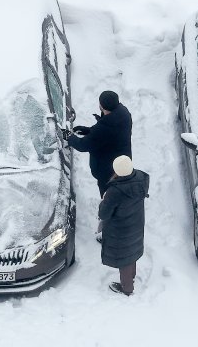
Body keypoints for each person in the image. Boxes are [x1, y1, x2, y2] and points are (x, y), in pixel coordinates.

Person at [65, 90, 132, 197]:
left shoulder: (105, 127)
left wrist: (68, 136)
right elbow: (108, 134)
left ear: (101, 106)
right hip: (122, 163)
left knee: (108, 197)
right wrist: (88, 130)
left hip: (108, 171)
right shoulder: (124, 114)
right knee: (119, 193)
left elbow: (83, 145)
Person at [99, 155, 149, 295]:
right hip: (136, 224)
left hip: (120, 231)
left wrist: (103, 202)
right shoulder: (141, 179)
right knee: (131, 252)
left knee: (124, 259)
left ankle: (127, 288)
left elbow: (104, 214)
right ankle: (132, 277)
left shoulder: (115, 191)